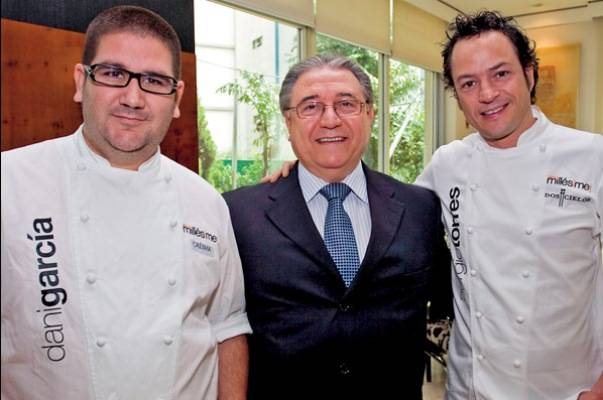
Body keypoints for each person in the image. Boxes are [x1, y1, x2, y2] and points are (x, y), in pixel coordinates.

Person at [0, 6, 250, 400]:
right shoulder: (11, 182)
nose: (133, 98)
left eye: (154, 81)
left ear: (177, 96)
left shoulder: (205, 200)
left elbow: (228, 325)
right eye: (114, 74)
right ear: (82, 81)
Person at [223, 54, 452, 399]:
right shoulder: (238, 213)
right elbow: (223, 328)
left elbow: (451, 301)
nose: (330, 120)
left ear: (369, 114)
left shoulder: (421, 208)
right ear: (289, 122)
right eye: (310, 107)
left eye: (346, 103)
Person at [414, 10, 602, 400]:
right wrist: (308, 171)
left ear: (529, 75)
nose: (487, 94)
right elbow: (388, 215)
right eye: (469, 82)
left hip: (568, 390)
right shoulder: (448, 163)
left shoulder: (592, 156)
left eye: (501, 74)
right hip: (468, 388)